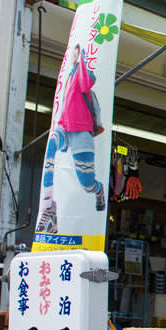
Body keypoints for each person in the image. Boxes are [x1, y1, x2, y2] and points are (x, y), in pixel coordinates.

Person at [36, 44, 106, 234]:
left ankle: (98, 189)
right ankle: (49, 209)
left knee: (87, 182)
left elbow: (87, 82)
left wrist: (82, 57)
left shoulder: (83, 74)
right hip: (65, 127)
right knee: (50, 150)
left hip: (82, 131)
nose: (72, 54)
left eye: (75, 51)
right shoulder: (69, 76)